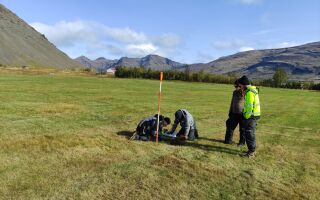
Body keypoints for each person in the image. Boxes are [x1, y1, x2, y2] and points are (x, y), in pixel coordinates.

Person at [238, 76, 261, 157]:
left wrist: (246, 116)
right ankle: (252, 150)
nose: (239, 88)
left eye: (240, 86)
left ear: (244, 85)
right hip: (254, 115)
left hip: (250, 117)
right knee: (251, 134)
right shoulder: (251, 91)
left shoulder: (249, 93)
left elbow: (249, 106)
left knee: (249, 134)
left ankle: (251, 153)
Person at [224, 79, 246, 146]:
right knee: (230, 127)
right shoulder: (234, 92)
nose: (236, 87)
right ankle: (228, 141)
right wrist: (230, 111)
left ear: (241, 85)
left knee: (242, 129)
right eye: (236, 86)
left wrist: (242, 91)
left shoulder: (246, 92)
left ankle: (242, 142)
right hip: (234, 113)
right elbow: (232, 102)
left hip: (243, 114)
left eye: (238, 86)